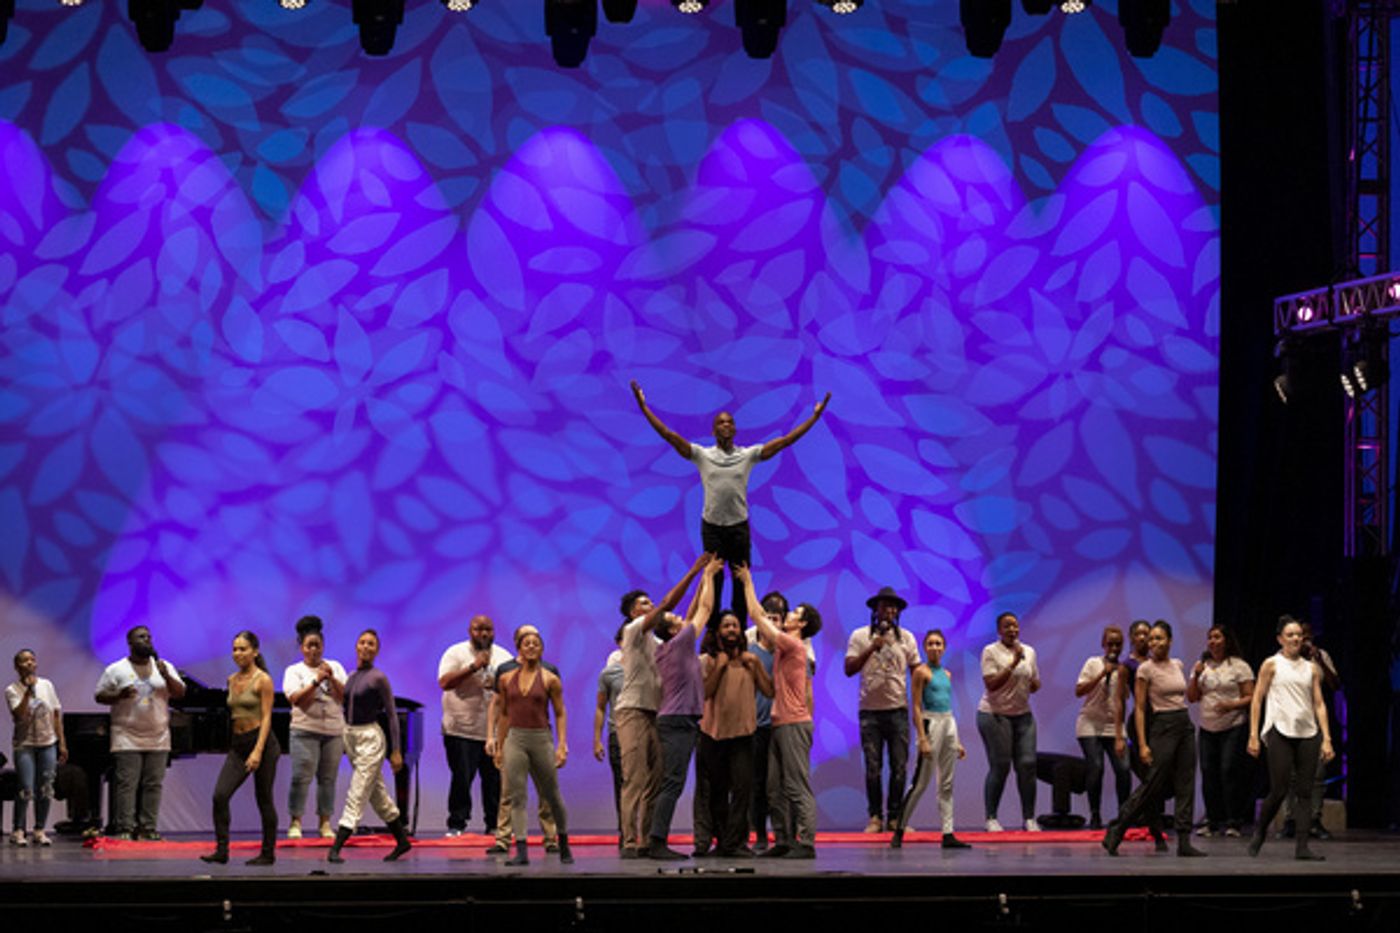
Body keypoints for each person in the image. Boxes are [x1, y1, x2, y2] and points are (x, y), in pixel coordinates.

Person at [631, 380, 830, 625]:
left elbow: (786, 441)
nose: (726, 425)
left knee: (740, 582)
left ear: (735, 429)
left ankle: (738, 634)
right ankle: (713, 634)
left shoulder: (747, 455)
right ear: (714, 431)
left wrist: (814, 418)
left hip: (738, 528)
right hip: (712, 527)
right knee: (712, 581)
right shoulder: (702, 455)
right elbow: (669, 436)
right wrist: (644, 408)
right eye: (720, 423)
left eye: (729, 422)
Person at [615, 553, 710, 858]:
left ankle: (648, 841)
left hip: (658, 712)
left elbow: (692, 615)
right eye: (644, 604)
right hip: (632, 710)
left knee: (658, 779)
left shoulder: (661, 644)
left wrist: (705, 577)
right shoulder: (633, 632)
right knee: (635, 777)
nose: (650, 606)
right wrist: (694, 571)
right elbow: (669, 605)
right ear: (633, 612)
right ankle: (629, 841)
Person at [736, 564, 822, 859]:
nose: (790, 616)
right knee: (774, 787)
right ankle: (784, 840)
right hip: (778, 722)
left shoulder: (795, 646)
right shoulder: (786, 649)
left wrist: (748, 582)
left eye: (795, 613)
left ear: (802, 623)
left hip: (793, 723)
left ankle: (806, 842)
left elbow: (759, 619)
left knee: (796, 785)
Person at [1101, 621, 1206, 857]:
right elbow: (1138, 707)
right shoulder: (1144, 669)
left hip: (1184, 724)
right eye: (1152, 639)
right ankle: (1117, 828)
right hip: (1162, 725)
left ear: (1169, 640)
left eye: (1159, 638)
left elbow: (1187, 695)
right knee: (1153, 783)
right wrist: (1142, 744)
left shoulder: (1177, 664)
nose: (1154, 643)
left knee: (1185, 782)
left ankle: (1184, 840)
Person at [648, 555, 721, 860]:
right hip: (678, 721)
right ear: (671, 631)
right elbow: (703, 609)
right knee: (673, 782)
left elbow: (693, 610)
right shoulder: (679, 644)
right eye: (675, 620)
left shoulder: (672, 645)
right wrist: (712, 575)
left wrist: (704, 576)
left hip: (679, 719)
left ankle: (656, 839)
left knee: (673, 781)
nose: (682, 618)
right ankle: (657, 842)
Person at [1246, 615, 1334, 860]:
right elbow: (1257, 699)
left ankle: (1302, 847)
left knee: (1305, 791)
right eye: (1290, 635)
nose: (1296, 638)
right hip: (1279, 729)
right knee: (1280, 789)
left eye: (1299, 635)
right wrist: (1253, 734)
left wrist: (1327, 738)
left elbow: (1319, 703)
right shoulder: (1271, 664)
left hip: (1308, 732)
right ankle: (1260, 831)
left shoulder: (1312, 668)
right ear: (1280, 639)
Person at [327, 629, 412, 864]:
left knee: (357, 791)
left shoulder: (378, 678)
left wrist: (396, 751)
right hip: (351, 737)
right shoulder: (352, 676)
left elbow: (393, 716)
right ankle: (402, 841)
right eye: (362, 642)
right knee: (377, 795)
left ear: (377, 650)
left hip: (370, 738)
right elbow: (344, 700)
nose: (366, 647)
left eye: (371, 644)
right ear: (356, 646)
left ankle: (336, 847)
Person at [94, 625, 185, 840]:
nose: (147, 640)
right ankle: (125, 827)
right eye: (141, 637)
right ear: (130, 642)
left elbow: (180, 692)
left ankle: (148, 828)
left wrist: (167, 675)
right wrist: (118, 694)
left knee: (153, 783)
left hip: (158, 733)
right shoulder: (116, 669)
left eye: (149, 637)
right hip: (126, 734)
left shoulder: (163, 666)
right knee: (127, 784)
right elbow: (99, 695)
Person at [492, 627, 573, 866]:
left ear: (542, 648)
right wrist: (499, 744)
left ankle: (564, 843)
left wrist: (562, 744)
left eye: (535, 643)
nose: (531, 646)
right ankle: (522, 850)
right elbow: (504, 714)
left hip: (541, 738)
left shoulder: (550, 679)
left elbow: (560, 712)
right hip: (515, 739)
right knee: (516, 796)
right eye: (526, 643)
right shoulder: (506, 679)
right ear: (519, 648)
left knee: (552, 794)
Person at [844, 585, 920, 833]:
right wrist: (871, 647)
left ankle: (895, 817)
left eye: (893, 606)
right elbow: (849, 669)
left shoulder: (906, 638)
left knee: (899, 767)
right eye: (884, 605)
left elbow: (916, 671)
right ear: (875, 609)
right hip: (870, 712)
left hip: (897, 710)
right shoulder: (860, 636)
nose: (889, 610)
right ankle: (875, 817)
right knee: (873, 768)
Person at [699, 610, 774, 857]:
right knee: (717, 792)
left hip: (743, 734)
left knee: (742, 790)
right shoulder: (708, 661)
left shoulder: (750, 660)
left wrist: (756, 666)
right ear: (718, 632)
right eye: (726, 626)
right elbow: (705, 693)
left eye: (735, 625)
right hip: (714, 735)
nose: (731, 629)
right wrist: (720, 666)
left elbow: (769, 690)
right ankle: (722, 842)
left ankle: (737, 842)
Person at [202, 631, 280, 866]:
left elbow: (267, 718)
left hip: (263, 743)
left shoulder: (263, 680)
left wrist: (257, 751)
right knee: (220, 795)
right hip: (238, 744)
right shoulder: (231, 680)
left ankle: (268, 853)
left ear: (255, 652)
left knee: (264, 798)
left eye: (243, 649)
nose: (237, 653)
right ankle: (222, 850)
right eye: (235, 649)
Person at [893, 629, 970, 850]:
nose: (935, 647)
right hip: (930, 723)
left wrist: (956, 741)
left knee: (946, 783)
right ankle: (899, 830)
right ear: (925, 648)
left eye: (938, 644)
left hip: (948, 723)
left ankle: (947, 833)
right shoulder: (920, 672)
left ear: (944, 648)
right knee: (920, 783)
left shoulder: (946, 674)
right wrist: (922, 738)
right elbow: (916, 706)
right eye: (930, 644)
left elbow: (946, 704)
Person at [438, 614, 513, 837]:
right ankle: (457, 824)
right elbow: (444, 682)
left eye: (488, 629)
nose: (483, 634)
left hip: (493, 732)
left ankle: (494, 824)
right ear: (469, 631)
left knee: (494, 781)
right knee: (461, 778)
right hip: (460, 729)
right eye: (478, 629)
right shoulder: (456, 652)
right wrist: (473, 667)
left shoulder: (503, 656)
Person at [1186, 623, 1254, 838]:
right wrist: (1196, 676)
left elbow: (1251, 697)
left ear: (1226, 640)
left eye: (1217, 637)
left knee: (1228, 771)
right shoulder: (1201, 666)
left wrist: (1230, 705)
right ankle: (1212, 820)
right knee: (1208, 773)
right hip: (1207, 727)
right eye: (1210, 638)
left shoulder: (1239, 666)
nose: (1213, 641)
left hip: (1233, 725)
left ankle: (1234, 820)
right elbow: (1192, 697)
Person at [282, 615, 346, 840]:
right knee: (301, 777)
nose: (314, 650)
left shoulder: (335, 666)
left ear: (323, 646)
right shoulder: (294, 671)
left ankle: (325, 823)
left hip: (333, 732)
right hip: (304, 731)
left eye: (317, 645)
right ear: (301, 648)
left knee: (328, 779)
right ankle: (295, 822)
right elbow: (296, 699)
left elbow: (344, 696)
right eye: (309, 646)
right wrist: (316, 681)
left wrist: (332, 678)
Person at [976, 612, 1040, 832]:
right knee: (1001, 765)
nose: (1012, 630)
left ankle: (1029, 818)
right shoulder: (990, 651)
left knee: (1028, 764)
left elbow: (1034, 681)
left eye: (1015, 626)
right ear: (999, 631)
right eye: (1007, 627)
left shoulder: (1029, 652)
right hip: (994, 714)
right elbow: (991, 684)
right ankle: (991, 818)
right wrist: (1013, 663)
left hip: (1022, 714)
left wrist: (1033, 684)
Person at [6, 649, 66, 847]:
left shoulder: (47, 685)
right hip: (25, 745)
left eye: (32, 659)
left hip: (47, 743)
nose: (30, 663)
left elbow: (56, 715)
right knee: (26, 787)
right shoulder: (12, 690)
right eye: (24, 661)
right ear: (17, 667)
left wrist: (62, 743)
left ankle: (39, 829)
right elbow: (19, 716)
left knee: (46, 788)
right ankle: (18, 829)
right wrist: (28, 692)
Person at [1075, 626, 1131, 829]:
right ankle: (1095, 814)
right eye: (1110, 644)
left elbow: (1122, 701)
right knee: (1096, 767)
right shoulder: (1092, 663)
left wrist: (1119, 735)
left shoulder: (1124, 669)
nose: (1114, 648)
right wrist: (1101, 675)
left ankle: (1124, 814)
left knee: (1123, 769)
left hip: (1114, 725)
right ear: (1103, 644)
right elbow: (1079, 690)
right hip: (1089, 722)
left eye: (1118, 644)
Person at [592, 628, 625, 848]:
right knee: (622, 785)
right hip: (618, 734)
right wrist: (597, 739)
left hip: (649, 733)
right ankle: (626, 833)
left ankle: (649, 833)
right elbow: (601, 707)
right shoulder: (610, 673)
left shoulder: (654, 668)